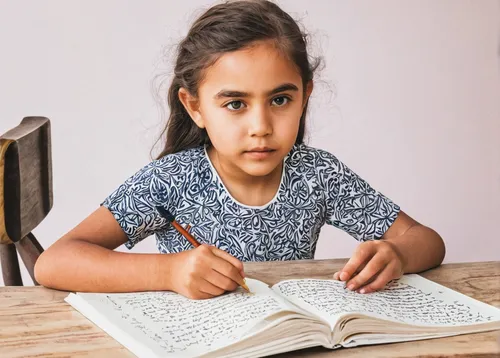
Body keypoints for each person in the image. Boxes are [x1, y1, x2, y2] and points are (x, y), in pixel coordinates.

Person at [35, 0, 445, 299]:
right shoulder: (172, 181)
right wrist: (168, 271)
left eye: (281, 100)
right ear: (194, 107)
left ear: (305, 95)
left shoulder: (317, 174)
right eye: (235, 104)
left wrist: (397, 254)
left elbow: (426, 240)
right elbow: (54, 262)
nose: (261, 127)